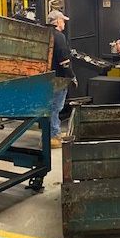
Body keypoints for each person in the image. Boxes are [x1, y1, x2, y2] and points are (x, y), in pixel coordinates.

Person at [47, 9, 77, 148]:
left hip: (47, 77)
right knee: (55, 107)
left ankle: (53, 132)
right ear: (58, 21)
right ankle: (54, 135)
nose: (64, 23)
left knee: (51, 106)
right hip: (59, 78)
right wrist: (71, 75)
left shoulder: (46, 34)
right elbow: (64, 59)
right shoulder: (59, 36)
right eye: (63, 20)